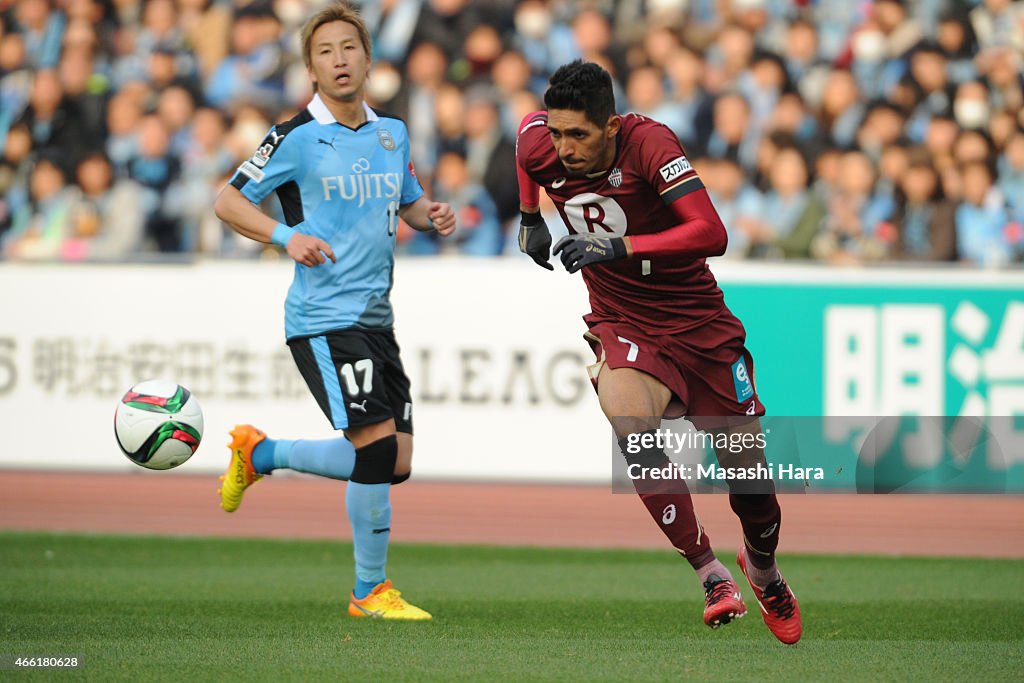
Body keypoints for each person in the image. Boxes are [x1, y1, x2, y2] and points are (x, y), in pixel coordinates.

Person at [515, 60, 802, 644]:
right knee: (629, 422)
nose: (564, 149)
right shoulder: (540, 140)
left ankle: (764, 569)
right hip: (624, 322)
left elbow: (712, 233)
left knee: (751, 483)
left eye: (580, 136)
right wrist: (528, 217)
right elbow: (527, 142)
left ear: (612, 127)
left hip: (700, 327)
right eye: (558, 133)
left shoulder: (649, 143)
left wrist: (619, 246)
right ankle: (710, 573)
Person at [212, 3, 455, 621]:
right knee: (372, 449)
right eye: (325, 51)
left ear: (369, 59)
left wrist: (435, 217)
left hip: (377, 318)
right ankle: (369, 591)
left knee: (394, 462)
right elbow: (227, 201)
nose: (340, 59)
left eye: (350, 47)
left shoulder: (390, 133)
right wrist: (283, 237)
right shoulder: (294, 136)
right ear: (311, 68)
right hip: (323, 318)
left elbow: (410, 203)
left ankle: (259, 455)